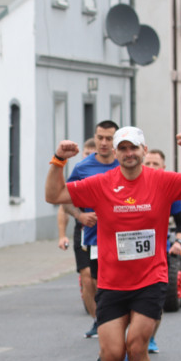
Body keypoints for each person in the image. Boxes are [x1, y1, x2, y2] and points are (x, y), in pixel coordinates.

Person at [45, 126, 181, 361]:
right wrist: (58, 160)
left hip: (151, 279)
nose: (128, 153)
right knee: (112, 354)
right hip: (112, 282)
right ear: (117, 153)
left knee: (137, 345)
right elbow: (54, 195)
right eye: (122, 148)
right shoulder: (101, 183)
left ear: (143, 150)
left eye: (133, 148)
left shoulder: (161, 181)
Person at [64, 123, 119, 338]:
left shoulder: (124, 164)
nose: (104, 142)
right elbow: (64, 199)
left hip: (121, 236)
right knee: (94, 281)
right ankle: (100, 321)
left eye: (109, 138)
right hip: (94, 237)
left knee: (118, 282)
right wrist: (80, 216)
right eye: (100, 137)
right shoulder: (82, 168)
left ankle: (115, 320)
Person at [141, 148, 181, 355]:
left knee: (156, 300)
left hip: (159, 252)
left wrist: (178, 241)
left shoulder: (168, 191)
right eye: (148, 164)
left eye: (155, 164)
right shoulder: (132, 188)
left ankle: (150, 336)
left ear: (163, 168)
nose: (151, 168)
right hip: (132, 254)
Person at [57, 138, 96, 315]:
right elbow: (63, 204)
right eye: (87, 153)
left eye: (92, 154)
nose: (90, 157)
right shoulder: (80, 172)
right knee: (87, 278)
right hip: (82, 233)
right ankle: (97, 320)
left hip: (105, 234)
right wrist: (62, 235)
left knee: (101, 280)